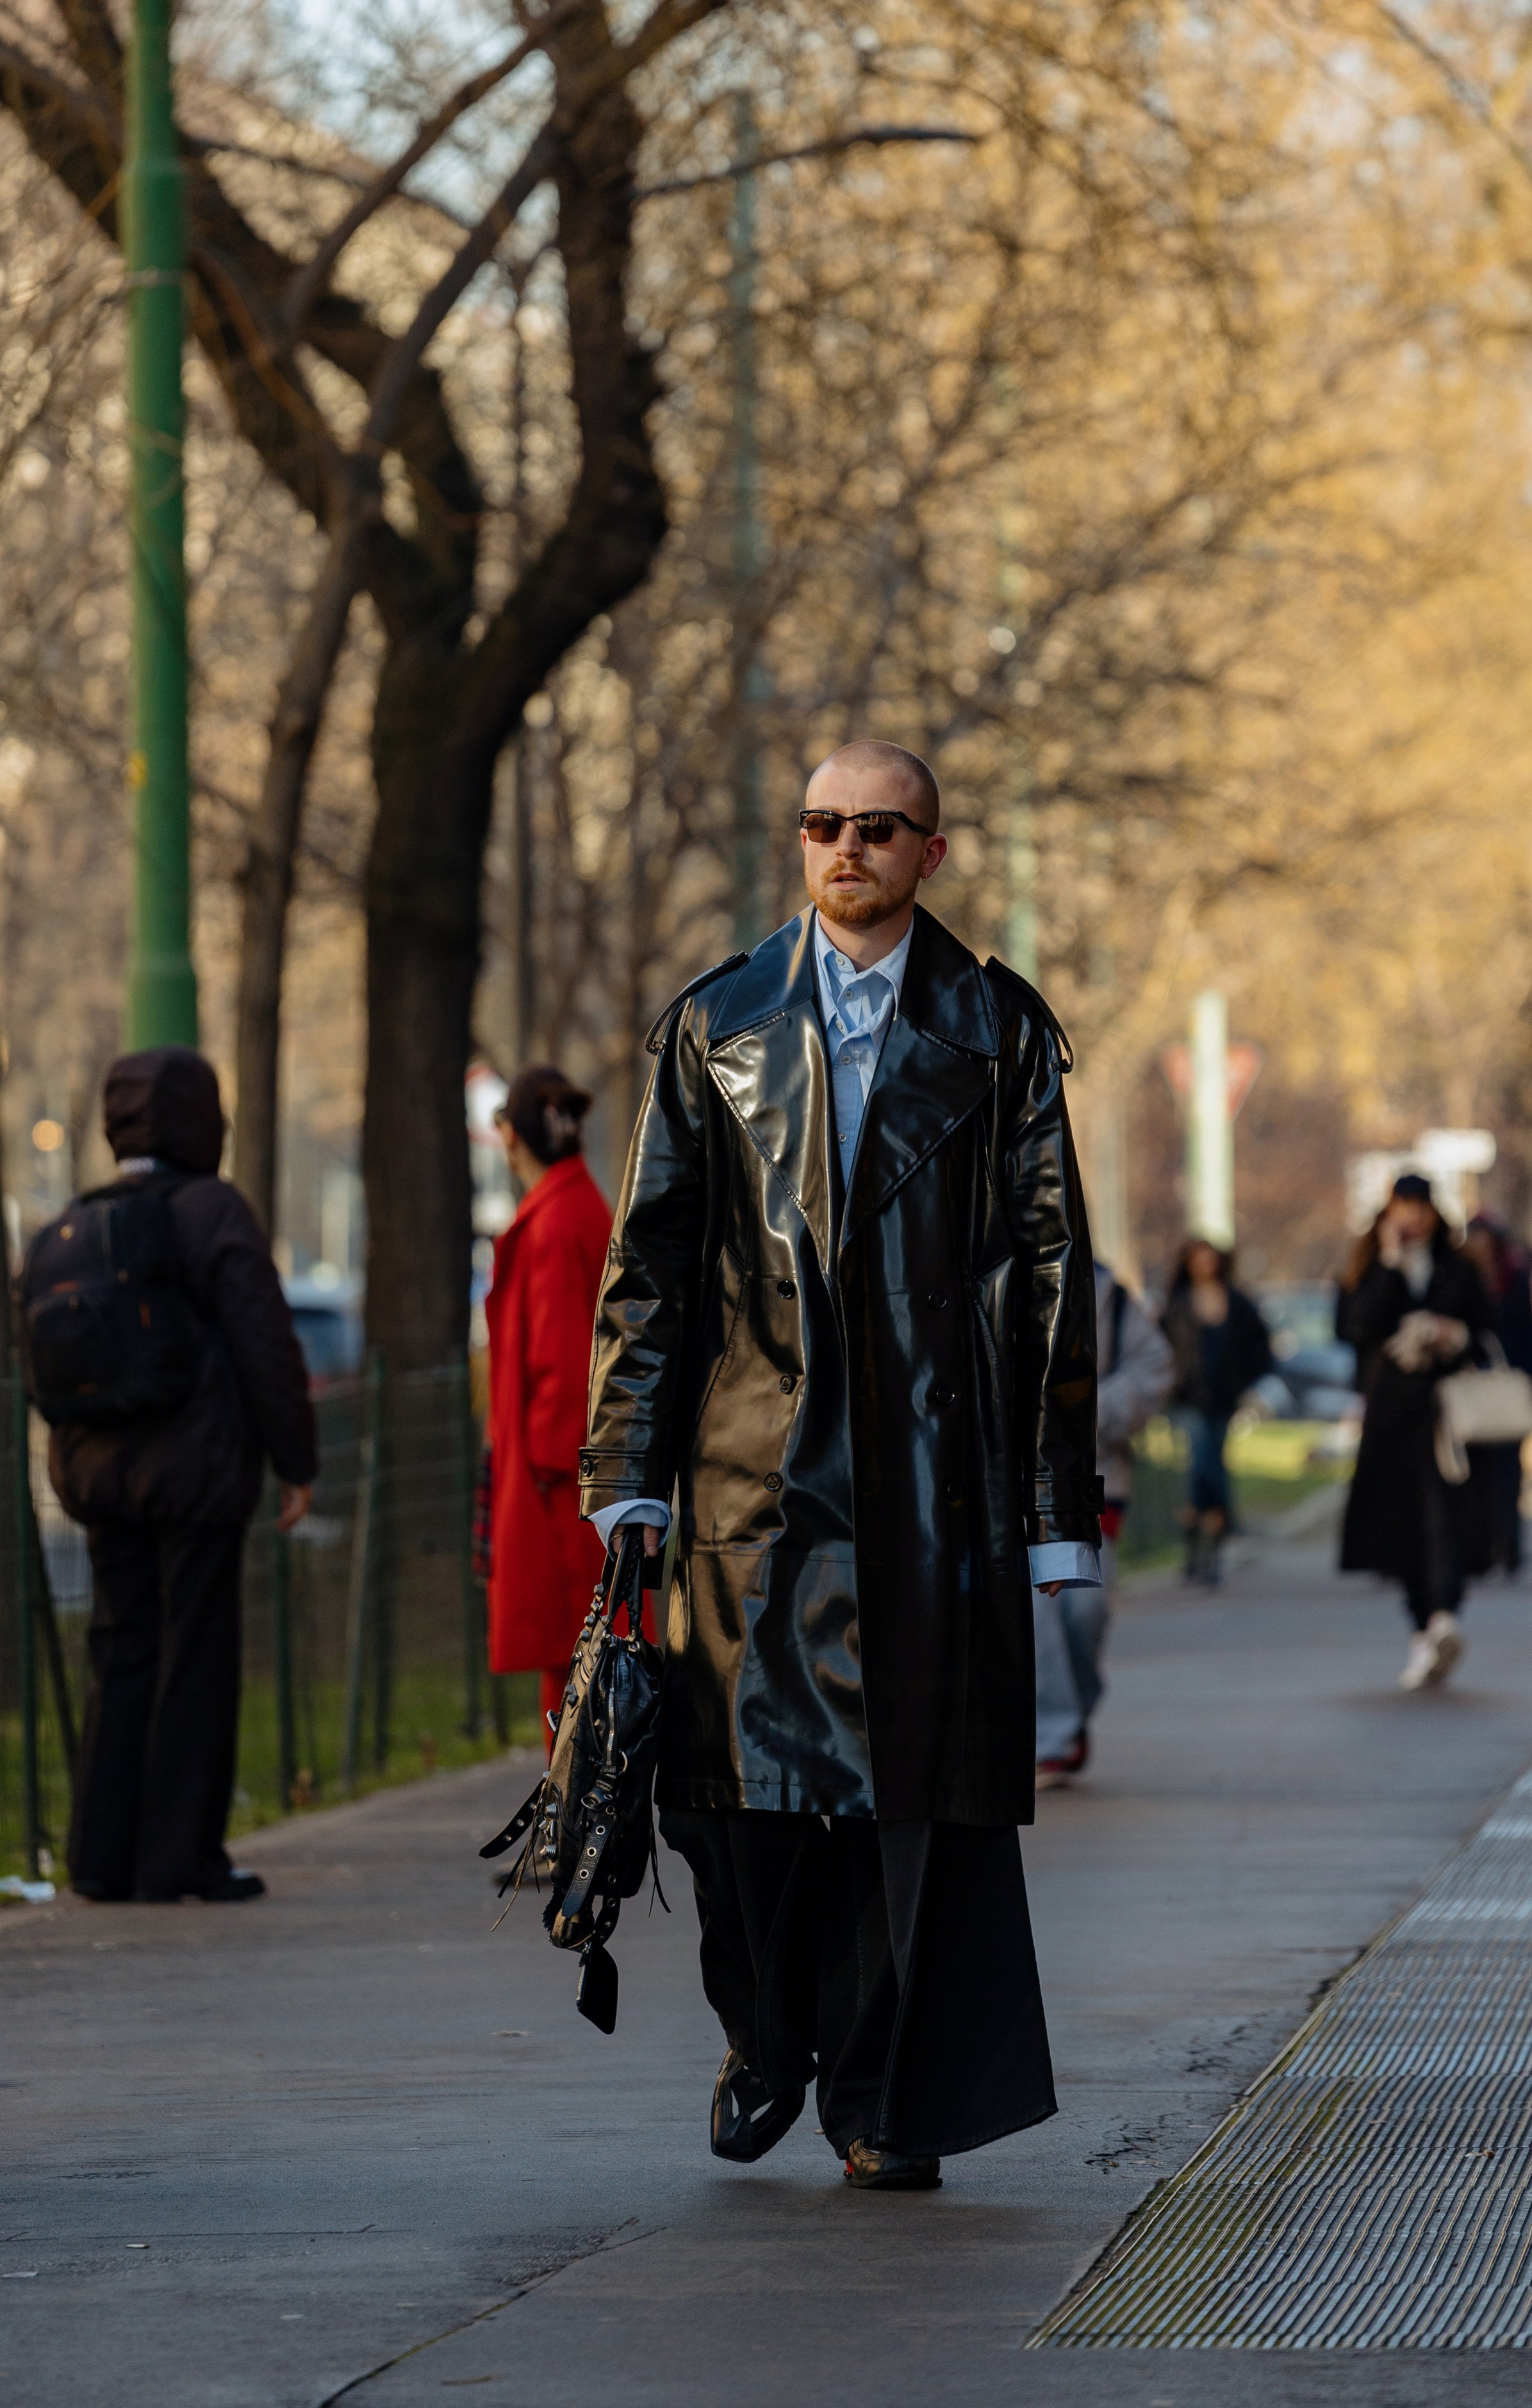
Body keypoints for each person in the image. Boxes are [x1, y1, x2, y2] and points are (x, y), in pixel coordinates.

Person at [577, 738, 1100, 2193]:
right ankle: (764, 2035)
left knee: (907, 1813)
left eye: (878, 825)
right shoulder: (713, 1022)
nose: (845, 846)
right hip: (745, 1480)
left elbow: (1052, 1270)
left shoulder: (996, 1033)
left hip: (934, 1488)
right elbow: (650, 1270)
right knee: (729, 1802)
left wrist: (1052, 1506)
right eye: (819, 822)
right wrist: (625, 1470)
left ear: (930, 850)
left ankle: (883, 2099)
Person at [51, 1049, 317, 1902]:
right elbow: (264, 1345)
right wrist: (294, 1461)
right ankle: (180, 1858)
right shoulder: (214, 1212)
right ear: (202, 1122)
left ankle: (99, 1858)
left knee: (119, 1651)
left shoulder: (80, 1219)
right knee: (194, 1660)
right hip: (196, 1476)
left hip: (101, 1479)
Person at [484, 1066, 613, 1745]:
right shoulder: (573, 1210)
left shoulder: (553, 1223)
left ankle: (574, 1842)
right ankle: (575, 1837)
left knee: (573, 1675)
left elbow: (561, 1372)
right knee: (582, 1672)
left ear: (510, 1135)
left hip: (557, 1491)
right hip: (569, 1483)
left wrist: (539, 1467)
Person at [1337, 1174, 1492, 1688]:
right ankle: (1424, 1629)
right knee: (1399, 1523)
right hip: (1392, 1416)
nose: (1413, 1217)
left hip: (1447, 1411)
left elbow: (1484, 1326)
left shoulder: (1457, 1266)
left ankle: (1445, 1613)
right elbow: (1357, 1325)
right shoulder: (1370, 1264)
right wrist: (1387, 1264)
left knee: (1446, 1513)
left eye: (1421, 1206)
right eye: (1403, 1206)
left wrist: (1451, 1334)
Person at [1035, 1258, 1173, 1785]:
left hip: (1094, 1479)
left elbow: (1155, 1367)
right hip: (1015, 1481)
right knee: (1038, 1612)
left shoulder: (1109, 1292)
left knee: (1084, 1608)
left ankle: (1070, 1715)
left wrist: (1092, 1409)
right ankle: (1055, 1736)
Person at [1161, 1238, 1273, 1586]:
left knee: (1210, 1468)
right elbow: (1161, 1349)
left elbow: (1260, 1347)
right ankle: (1202, 1545)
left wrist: (1244, 1382)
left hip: (1223, 1400)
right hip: (1188, 1400)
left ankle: (1206, 1549)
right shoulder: (1178, 1305)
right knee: (1203, 1467)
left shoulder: (1237, 1303)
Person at [1465, 1210, 1532, 1575]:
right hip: (1468, 1388)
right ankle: (1480, 1547)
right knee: (1473, 1471)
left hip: (1509, 1385)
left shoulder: (1515, 1280)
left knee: (1509, 1472)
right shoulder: (1458, 1279)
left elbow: (1529, 1334)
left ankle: (1509, 1547)